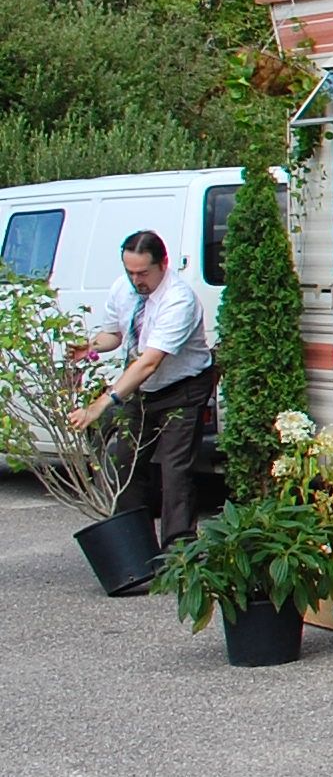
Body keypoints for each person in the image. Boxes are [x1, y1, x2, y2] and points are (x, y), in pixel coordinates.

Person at [67, 231, 217, 547]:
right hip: (141, 388)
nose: (136, 280)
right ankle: (136, 546)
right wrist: (90, 347)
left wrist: (99, 405)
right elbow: (115, 334)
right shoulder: (124, 289)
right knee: (125, 462)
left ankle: (178, 551)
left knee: (176, 470)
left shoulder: (179, 299)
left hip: (183, 387)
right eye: (130, 272)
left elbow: (150, 362)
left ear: (164, 263)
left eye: (143, 273)